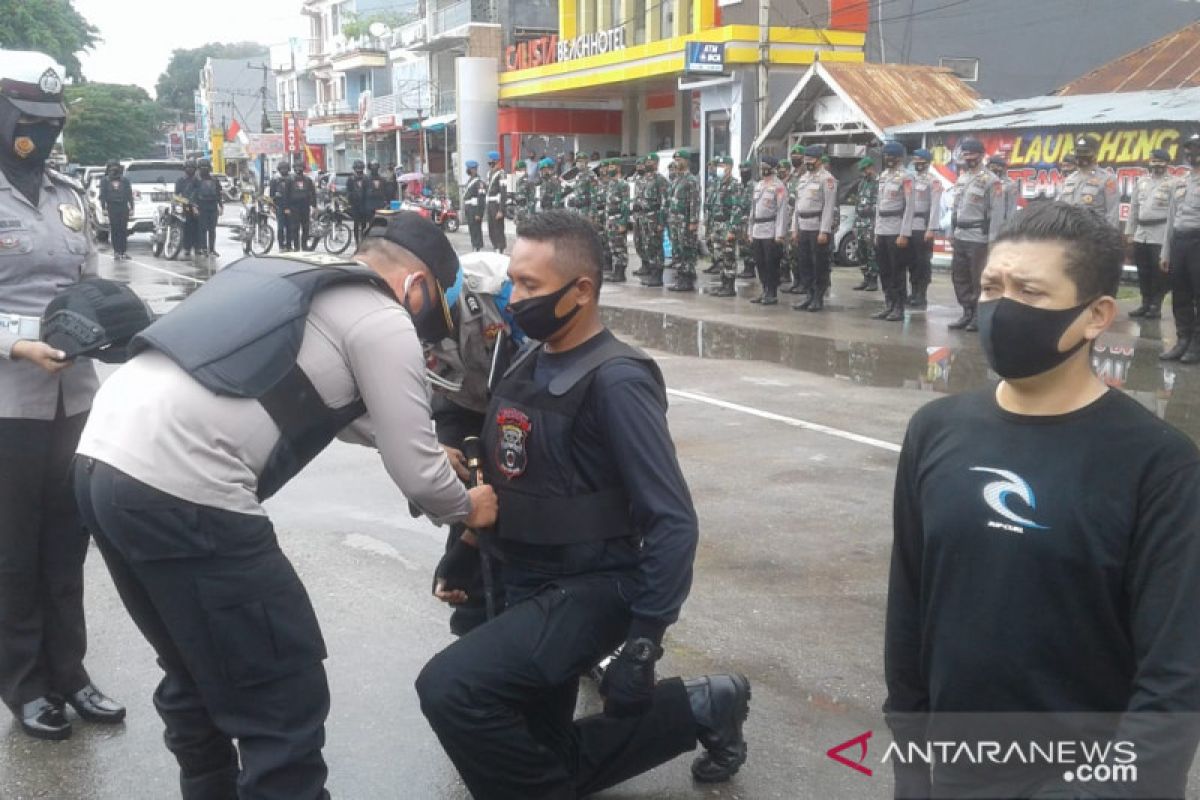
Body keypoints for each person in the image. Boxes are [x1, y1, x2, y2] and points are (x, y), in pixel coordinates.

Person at [74, 213, 499, 799]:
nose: (424, 328)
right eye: (430, 315)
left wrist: (424, 448)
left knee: (196, 668)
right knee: (280, 694)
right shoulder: (382, 315)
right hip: (186, 488)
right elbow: (419, 477)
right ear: (418, 288)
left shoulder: (291, 275)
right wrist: (468, 506)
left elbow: (301, 391)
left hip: (101, 463)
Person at [416, 210, 751, 799]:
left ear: (583, 291)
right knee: (538, 755)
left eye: (531, 286)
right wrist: (466, 547)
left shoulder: (617, 381)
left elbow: (672, 521)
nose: (513, 299)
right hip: (521, 580)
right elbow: (504, 475)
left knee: (451, 688)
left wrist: (644, 643)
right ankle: (703, 706)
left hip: (590, 589)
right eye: (513, 282)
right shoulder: (526, 358)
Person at [885, 201, 1200, 799]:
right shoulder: (936, 430)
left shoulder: (1159, 464)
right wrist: (912, 763)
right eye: (991, 287)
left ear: (1095, 315)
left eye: (1029, 291)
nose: (1001, 309)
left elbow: (1174, 679)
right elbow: (910, 609)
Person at [0, 49, 125, 742]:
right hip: (7, 403)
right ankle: (24, 683)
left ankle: (69, 672)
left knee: (67, 543)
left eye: (52, 120)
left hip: (74, 396)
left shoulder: (68, 193)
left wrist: (111, 323)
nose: (41, 132)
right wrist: (17, 341)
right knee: (14, 549)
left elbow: (90, 281)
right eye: (27, 118)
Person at [947, 138, 1004, 331]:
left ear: (981, 155)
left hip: (978, 237)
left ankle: (978, 316)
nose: (968, 158)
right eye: (965, 154)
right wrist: (950, 231)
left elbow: (996, 213)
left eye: (972, 154)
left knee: (977, 278)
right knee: (959, 277)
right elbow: (954, 209)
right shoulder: (962, 178)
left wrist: (993, 241)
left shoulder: (991, 181)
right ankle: (967, 312)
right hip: (960, 235)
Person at [1160, 133, 1200, 363]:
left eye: (1195, 148)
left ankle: (1197, 344)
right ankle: (1182, 340)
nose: (1191, 153)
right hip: (1180, 243)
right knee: (1180, 294)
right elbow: (1171, 219)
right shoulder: (1180, 181)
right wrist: (1166, 251)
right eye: (1189, 149)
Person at [1126, 148, 1174, 320]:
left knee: (1159, 272)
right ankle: (1145, 303)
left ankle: (1156, 305)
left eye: (1160, 162)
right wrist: (1130, 232)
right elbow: (1134, 209)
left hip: (1160, 233)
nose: (1157, 165)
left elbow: (1174, 212)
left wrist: (1171, 236)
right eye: (1154, 162)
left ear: (1167, 164)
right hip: (1142, 233)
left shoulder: (1173, 183)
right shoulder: (1142, 182)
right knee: (1143, 270)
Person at [789, 145, 838, 312]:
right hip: (803, 226)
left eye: (811, 160)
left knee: (819, 264)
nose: (808, 163)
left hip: (817, 227)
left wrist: (824, 231)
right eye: (806, 160)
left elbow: (829, 207)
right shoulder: (803, 179)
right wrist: (794, 229)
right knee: (805, 263)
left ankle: (818, 297)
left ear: (819, 160)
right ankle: (808, 295)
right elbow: (797, 206)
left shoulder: (827, 179)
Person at [873, 142, 913, 322]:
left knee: (897, 271)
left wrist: (904, 233)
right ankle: (888, 303)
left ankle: (899, 307)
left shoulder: (906, 177)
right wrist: (876, 231)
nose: (888, 159)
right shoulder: (883, 176)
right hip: (882, 229)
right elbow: (879, 206)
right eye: (886, 155)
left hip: (896, 230)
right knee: (884, 270)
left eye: (892, 156)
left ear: (899, 157)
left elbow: (910, 207)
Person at [747, 156, 788, 306]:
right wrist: (750, 231)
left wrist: (780, 234)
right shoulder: (758, 185)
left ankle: (772, 293)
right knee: (760, 262)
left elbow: (782, 211)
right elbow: (753, 210)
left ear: (772, 168)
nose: (762, 169)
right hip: (758, 229)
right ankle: (764, 290)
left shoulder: (779, 187)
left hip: (770, 229)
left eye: (765, 166)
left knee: (771, 263)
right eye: (761, 166)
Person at [906, 148, 941, 309]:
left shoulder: (933, 181)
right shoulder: (910, 179)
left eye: (920, 161)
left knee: (923, 262)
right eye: (915, 160)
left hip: (923, 226)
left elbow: (935, 206)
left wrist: (931, 228)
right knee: (911, 261)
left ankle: (922, 294)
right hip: (909, 226)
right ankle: (913, 292)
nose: (917, 163)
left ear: (927, 163)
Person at [1060, 135, 1119, 228]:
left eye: (1085, 152)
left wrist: (1110, 238)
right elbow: (1060, 208)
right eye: (1078, 152)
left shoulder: (1108, 179)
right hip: (1069, 233)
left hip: (1095, 234)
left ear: (1095, 154)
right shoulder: (1069, 179)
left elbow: (1112, 212)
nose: (1081, 156)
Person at [706, 155, 744, 298]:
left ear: (730, 167)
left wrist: (732, 229)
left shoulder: (735, 185)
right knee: (719, 256)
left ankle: (729, 285)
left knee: (728, 255)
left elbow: (737, 208)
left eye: (723, 166)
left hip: (727, 225)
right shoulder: (716, 184)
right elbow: (713, 207)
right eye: (719, 167)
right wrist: (710, 227)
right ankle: (723, 283)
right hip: (716, 225)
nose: (720, 169)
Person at [667, 149, 701, 292]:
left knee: (687, 249)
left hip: (685, 221)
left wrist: (693, 221)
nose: (677, 162)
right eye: (675, 160)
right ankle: (681, 276)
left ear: (686, 162)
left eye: (679, 160)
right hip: (675, 221)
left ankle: (687, 278)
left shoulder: (691, 180)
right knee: (677, 249)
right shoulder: (677, 179)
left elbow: (695, 201)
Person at [638, 154, 670, 287]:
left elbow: (665, 202)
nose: (648, 163)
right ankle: (651, 273)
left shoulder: (660, 180)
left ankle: (658, 275)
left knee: (656, 246)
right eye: (647, 161)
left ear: (656, 164)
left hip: (655, 217)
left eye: (651, 161)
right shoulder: (643, 180)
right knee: (647, 246)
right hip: (643, 217)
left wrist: (662, 222)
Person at [850, 157, 879, 292]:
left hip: (870, 223)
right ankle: (866, 278)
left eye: (865, 169)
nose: (863, 172)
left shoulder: (877, 183)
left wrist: (869, 211)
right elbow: (857, 204)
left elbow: (878, 205)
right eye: (862, 170)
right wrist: (855, 224)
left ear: (871, 168)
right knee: (861, 252)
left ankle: (873, 280)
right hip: (860, 223)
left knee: (871, 252)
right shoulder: (862, 184)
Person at [99, 159, 134, 261]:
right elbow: (102, 195)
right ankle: (116, 252)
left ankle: (123, 251)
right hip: (112, 207)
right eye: (111, 168)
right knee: (115, 230)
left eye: (116, 168)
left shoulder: (125, 180)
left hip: (123, 207)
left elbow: (129, 194)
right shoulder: (105, 181)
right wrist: (103, 207)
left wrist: (131, 207)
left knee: (123, 230)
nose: (114, 170)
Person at [603, 158, 631, 283]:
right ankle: (616, 270)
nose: (609, 170)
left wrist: (623, 222)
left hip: (618, 218)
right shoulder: (611, 184)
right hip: (610, 220)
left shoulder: (622, 184)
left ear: (618, 168)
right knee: (613, 246)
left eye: (612, 167)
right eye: (609, 167)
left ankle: (621, 272)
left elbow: (625, 204)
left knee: (620, 246)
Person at [282, 161, 316, 253]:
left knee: (306, 227)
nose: (299, 169)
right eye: (297, 167)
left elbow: (313, 193)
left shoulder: (308, 180)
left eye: (300, 167)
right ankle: (296, 246)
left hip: (305, 207)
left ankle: (304, 246)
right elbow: (286, 194)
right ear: (294, 168)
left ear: (303, 168)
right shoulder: (289, 180)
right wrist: (286, 208)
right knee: (295, 227)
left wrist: (314, 206)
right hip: (294, 207)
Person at [193, 159, 223, 258]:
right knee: (203, 229)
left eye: (206, 168)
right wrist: (194, 206)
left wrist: (221, 206)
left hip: (213, 207)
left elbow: (219, 194)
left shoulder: (214, 180)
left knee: (212, 229)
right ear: (199, 169)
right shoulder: (196, 180)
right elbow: (192, 195)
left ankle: (212, 249)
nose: (204, 170)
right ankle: (204, 249)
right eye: (202, 168)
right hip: (201, 207)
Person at [174, 160, 199, 258]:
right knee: (187, 228)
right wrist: (186, 201)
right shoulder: (180, 180)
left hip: (198, 207)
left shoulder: (198, 180)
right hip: (186, 207)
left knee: (198, 228)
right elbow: (176, 196)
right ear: (185, 169)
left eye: (192, 168)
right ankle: (187, 248)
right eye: (188, 168)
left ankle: (197, 247)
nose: (190, 170)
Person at [987, 153, 1020, 230]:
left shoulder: (1010, 184)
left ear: (1003, 168)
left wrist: (1009, 227)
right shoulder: (986, 182)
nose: (992, 169)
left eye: (996, 166)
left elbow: (1012, 208)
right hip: (985, 224)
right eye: (991, 166)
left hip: (1001, 225)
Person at [736, 160, 757, 280]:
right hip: (740, 219)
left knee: (749, 245)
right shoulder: (739, 186)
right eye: (741, 171)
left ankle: (750, 268)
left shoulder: (754, 185)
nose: (743, 173)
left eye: (746, 171)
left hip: (749, 220)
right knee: (742, 245)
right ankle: (745, 266)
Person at [485, 150, 508, 254]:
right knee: (491, 227)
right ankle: (495, 246)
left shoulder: (501, 173)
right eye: (489, 162)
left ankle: (500, 248)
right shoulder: (489, 174)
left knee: (498, 227)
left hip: (497, 204)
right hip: (490, 204)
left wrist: (501, 210)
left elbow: (503, 192)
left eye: (491, 162)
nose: (490, 164)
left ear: (496, 161)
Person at [463, 160, 486, 252]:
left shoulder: (479, 183)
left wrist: (479, 213)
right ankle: (474, 246)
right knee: (472, 229)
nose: (467, 170)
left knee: (476, 229)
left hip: (474, 208)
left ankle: (477, 248)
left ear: (473, 170)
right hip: (469, 208)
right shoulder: (470, 181)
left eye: (468, 168)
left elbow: (481, 199)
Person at [346, 159, 369, 244]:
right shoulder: (351, 179)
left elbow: (368, 191)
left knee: (364, 225)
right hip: (355, 205)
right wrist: (351, 200)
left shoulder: (366, 178)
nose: (359, 172)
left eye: (360, 170)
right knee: (356, 225)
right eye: (357, 169)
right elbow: (348, 192)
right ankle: (357, 242)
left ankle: (363, 242)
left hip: (364, 205)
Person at [513, 159, 534, 227]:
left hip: (525, 210)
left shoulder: (529, 182)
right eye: (517, 170)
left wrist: (530, 213)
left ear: (524, 169)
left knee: (526, 231)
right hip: (517, 210)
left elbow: (532, 199)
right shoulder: (514, 181)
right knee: (518, 230)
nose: (517, 171)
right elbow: (511, 196)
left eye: (519, 169)